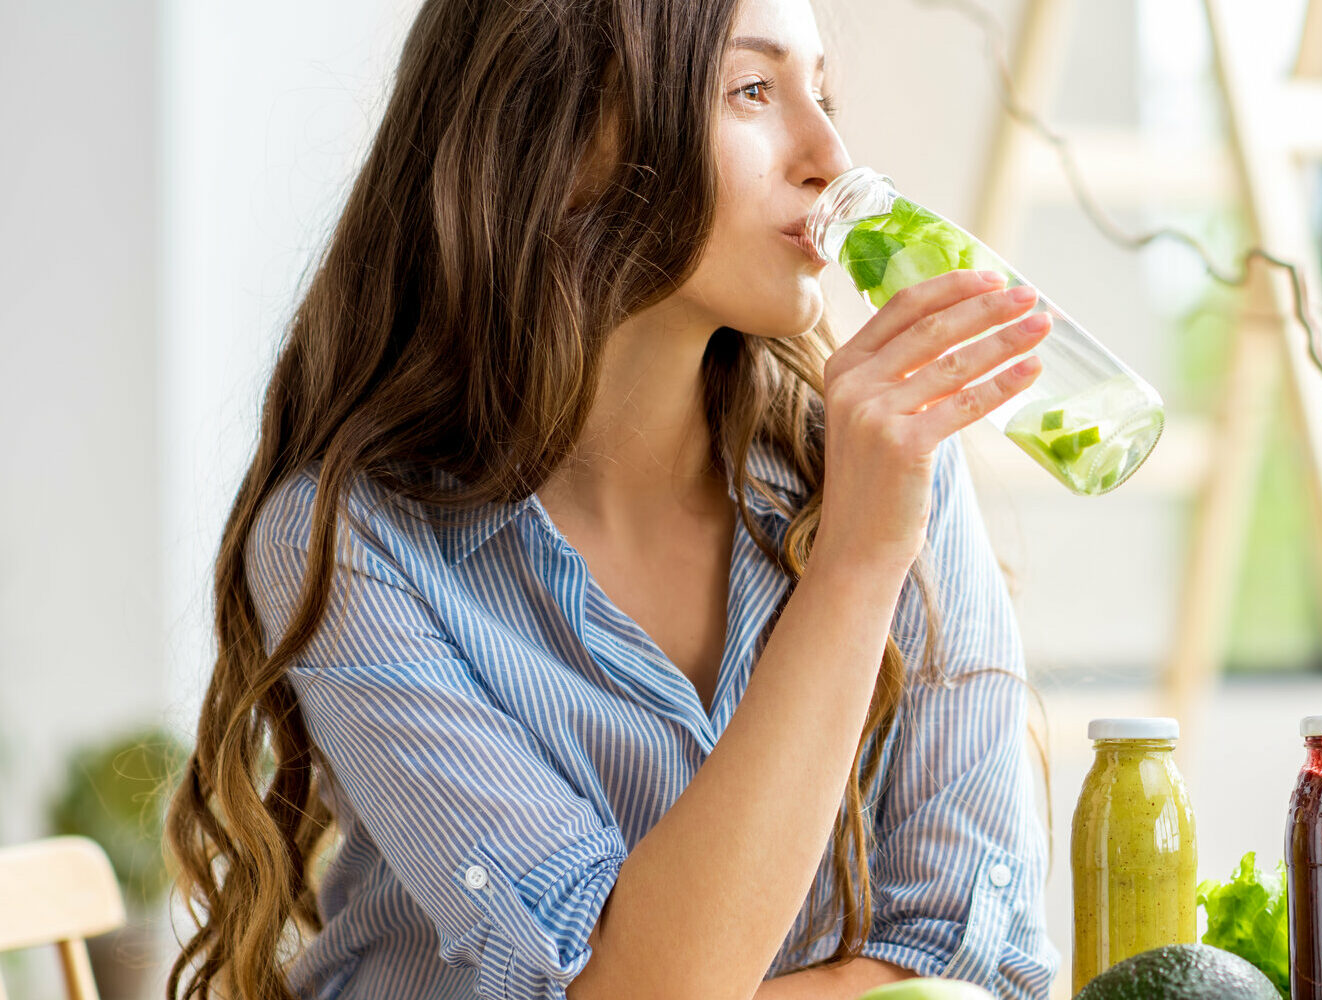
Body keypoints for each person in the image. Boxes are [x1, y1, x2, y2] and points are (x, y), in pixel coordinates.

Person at [162, 0, 1058, 997]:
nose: (831, 157)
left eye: (822, 94)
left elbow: (981, 960)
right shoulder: (350, 542)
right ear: (562, 132)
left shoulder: (877, 472)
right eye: (752, 90)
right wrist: (851, 569)